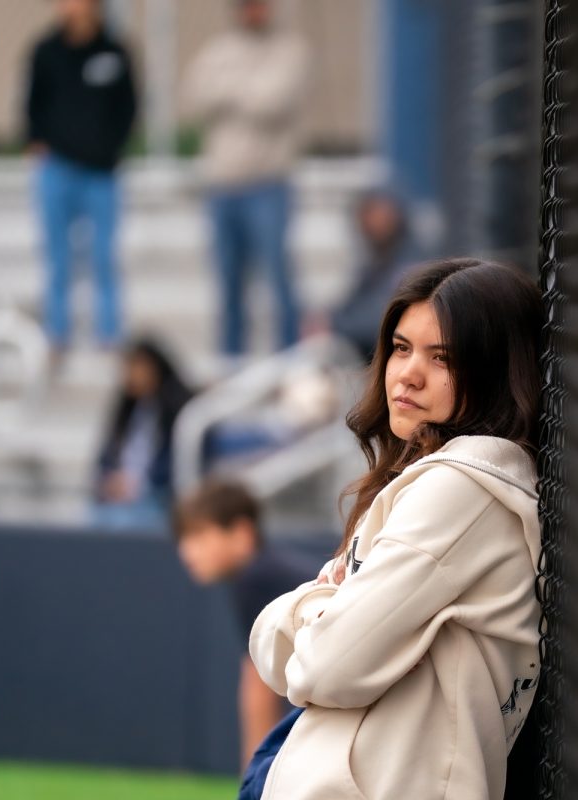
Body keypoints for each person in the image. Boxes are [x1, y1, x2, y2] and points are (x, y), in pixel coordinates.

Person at [248, 258, 545, 799]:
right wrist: (328, 613)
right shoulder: (435, 479)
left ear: (496, 372)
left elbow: (322, 669)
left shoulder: (464, 489)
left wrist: (313, 608)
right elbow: (276, 653)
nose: (407, 373)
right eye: (402, 348)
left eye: (443, 358)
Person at [181, 0, 310, 356]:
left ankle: (291, 360)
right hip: (222, 187)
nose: (252, 12)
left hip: (268, 184)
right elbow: (194, 98)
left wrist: (228, 91)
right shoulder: (218, 49)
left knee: (278, 281)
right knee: (228, 285)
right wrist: (243, 91)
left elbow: (273, 102)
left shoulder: (290, 49)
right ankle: (231, 362)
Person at [171, 481, 319, 771]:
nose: (186, 552)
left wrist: (254, 773)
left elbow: (258, 684)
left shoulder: (256, 578)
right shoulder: (262, 572)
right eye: (183, 539)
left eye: (199, 536)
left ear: (241, 533)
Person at [25, 0, 137, 360]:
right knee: (58, 256)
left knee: (103, 255)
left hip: (101, 173)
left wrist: (111, 147)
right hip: (57, 169)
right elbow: (33, 104)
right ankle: (57, 333)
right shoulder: (45, 50)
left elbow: (128, 106)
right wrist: (38, 142)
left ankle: (109, 333)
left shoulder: (114, 52)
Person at [93, 337, 192, 527]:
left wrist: (140, 485)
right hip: (120, 499)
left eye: (137, 367)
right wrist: (110, 480)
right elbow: (104, 458)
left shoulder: (177, 410)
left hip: (157, 498)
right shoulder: (126, 411)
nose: (130, 375)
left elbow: (174, 464)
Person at [326, 188, 419, 361]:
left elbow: (382, 321)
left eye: (379, 213)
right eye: (367, 214)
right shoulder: (374, 259)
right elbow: (350, 303)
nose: (373, 222)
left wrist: (334, 325)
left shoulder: (411, 263)